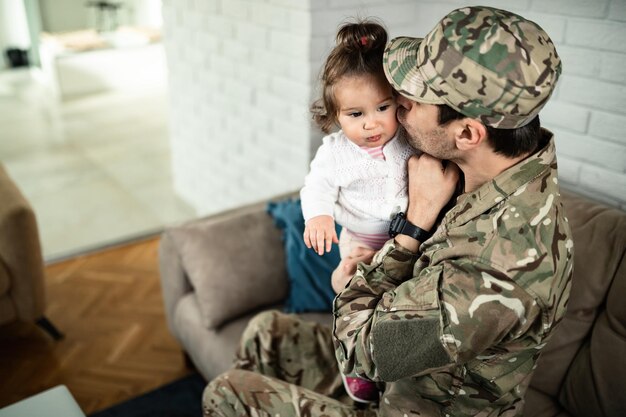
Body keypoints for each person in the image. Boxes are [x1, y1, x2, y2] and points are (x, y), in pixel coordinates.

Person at [203, 6, 574, 417]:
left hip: (401, 401)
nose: (397, 106)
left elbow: (361, 348)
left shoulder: (496, 269)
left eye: (410, 102)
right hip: (392, 382)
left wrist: (410, 229)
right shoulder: (487, 173)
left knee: (225, 392)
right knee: (265, 333)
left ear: (468, 132)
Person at [300, 19, 415, 403]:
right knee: (353, 291)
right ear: (334, 116)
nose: (372, 123)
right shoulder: (335, 152)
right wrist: (318, 215)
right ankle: (355, 366)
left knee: (394, 303)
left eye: (383, 107)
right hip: (360, 237)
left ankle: (390, 363)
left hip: (404, 236)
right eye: (355, 115)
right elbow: (316, 186)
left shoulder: (408, 139)